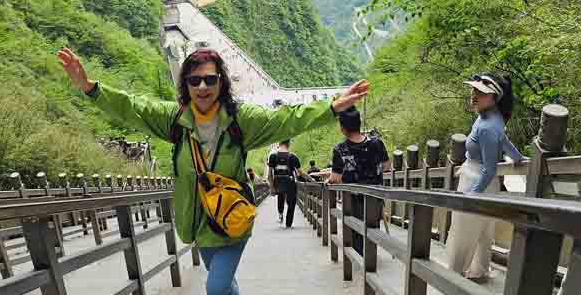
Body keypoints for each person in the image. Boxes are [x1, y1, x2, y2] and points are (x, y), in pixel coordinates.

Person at [57, 47, 368, 295]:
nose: (203, 86)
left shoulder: (240, 120)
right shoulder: (174, 120)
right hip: (198, 221)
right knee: (224, 287)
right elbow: (133, 107)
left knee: (215, 287)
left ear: (221, 81)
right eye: (195, 80)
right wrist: (89, 88)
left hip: (233, 217)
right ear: (186, 85)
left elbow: (286, 119)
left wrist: (330, 107)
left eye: (210, 79)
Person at [446, 73, 525, 283]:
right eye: (474, 90)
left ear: (493, 98)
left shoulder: (489, 126)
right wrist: (517, 156)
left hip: (477, 180)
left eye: (481, 92)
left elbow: (489, 169)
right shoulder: (490, 117)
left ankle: (454, 277)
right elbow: (504, 139)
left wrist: (472, 196)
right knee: (481, 230)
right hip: (478, 179)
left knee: (465, 230)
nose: (474, 95)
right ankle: (478, 270)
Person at [327, 106, 390, 255]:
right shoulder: (377, 143)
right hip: (375, 195)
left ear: (342, 128)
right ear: (359, 123)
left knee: (355, 229)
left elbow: (335, 178)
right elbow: (386, 166)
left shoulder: (340, 149)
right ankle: (370, 258)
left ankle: (360, 260)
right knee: (373, 228)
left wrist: (329, 180)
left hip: (353, 197)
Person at [267, 140, 311, 228]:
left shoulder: (272, 156)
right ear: (289, 144)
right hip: (290, 182)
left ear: (279, 143)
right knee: (291, 203)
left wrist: (272, 187)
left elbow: (269, 175)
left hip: (278, 182)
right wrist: (312, 179)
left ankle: (280, 214)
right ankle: (288, 223)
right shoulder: (293, 156)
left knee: (280, 196)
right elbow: (301, 173)